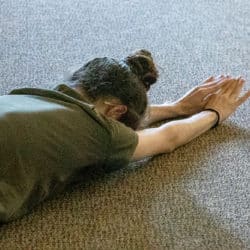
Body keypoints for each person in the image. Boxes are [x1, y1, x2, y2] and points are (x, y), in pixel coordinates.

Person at [0, 50, 249, 224]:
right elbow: (168, 138)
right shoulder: (102, 134)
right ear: (116, 111)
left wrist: (177, 108)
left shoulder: (31, 96)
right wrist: (214, 114)